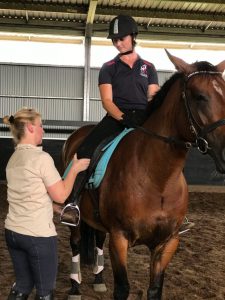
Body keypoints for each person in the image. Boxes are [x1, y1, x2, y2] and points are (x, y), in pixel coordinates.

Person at [60, 14, 160, 224]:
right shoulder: (108, 67)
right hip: (116, 116)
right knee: (85, 149)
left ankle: (175, 207)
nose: (118, 43)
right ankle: (73, 202)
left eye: (121, 38)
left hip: (143, 117)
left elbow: (152, 96)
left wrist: (149, 117)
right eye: (114, 39)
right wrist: (123, 118)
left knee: (168, 150)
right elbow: (107, 100)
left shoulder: (149, 68)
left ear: (133, 36)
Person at [3, 108, 90, 300]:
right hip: (38, 236)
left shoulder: (13, 159)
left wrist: (51, 208)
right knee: (45, 292)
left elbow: (26, 194)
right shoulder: (41, 159)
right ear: (30, 127)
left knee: (22, 285)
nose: (43, 130)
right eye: (41, 126)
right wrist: (74, 169)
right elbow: (60, 195)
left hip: (13, 233)